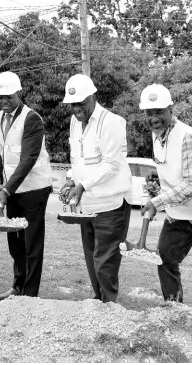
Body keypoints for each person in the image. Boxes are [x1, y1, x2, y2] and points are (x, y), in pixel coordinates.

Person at [64, 73, 132, 303]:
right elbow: (77, 159)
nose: (76, 108)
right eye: (73, 104)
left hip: (110, 206)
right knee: (92, 259)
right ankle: (99, 302)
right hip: (88, 206)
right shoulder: (75, 122)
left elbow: (111, 165)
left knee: (105, 261)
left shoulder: (111, 122)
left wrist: (83, 185)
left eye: (81, 103)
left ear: (93, 96)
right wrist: (71, 180)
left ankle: (109, 306)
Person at [0, 71, 53, 300]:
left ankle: (29, 295)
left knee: (31, 244)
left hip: (34, 189)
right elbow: (3, 151)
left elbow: (28, 159)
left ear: (19, 93)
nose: (4, 101)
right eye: (0, 97)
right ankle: (17, 287)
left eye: (8, 96)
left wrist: (6, 190)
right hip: (12, 190)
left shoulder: (32, 119)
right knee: (14, 242)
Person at [138, 84, 192, 303]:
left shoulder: (188, 136)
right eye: (149, 113)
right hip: (179, 214)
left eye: (159, 112)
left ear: (171, 109)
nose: (154, 118)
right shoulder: (157, 136)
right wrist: (154, 198)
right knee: (165, 259)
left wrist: (158, 203)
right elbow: (166, 175)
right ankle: (174, 311)